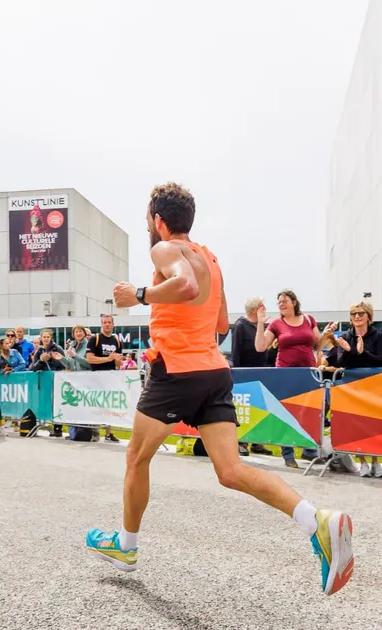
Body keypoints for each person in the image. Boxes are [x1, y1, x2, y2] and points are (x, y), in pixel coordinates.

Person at [86, 182, 354, 595]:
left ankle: (126, 545)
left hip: (176, 370)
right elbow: (221, 325)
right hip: (214, 370)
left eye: (148, 219)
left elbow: (187, 287)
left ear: (159, 221)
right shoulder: (211, 258)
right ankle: (316, 521)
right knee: (231, 471)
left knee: (136, 458)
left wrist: (139, 295)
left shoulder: (164, 249)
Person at [253, 290, 329, 467]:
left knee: (309, 410)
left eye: (284, 300)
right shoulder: (276, 324)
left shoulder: (309, 320)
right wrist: (260, 323)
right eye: (278, 301)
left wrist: (325, 334)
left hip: (308, 373)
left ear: (294, 302)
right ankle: (287, 453)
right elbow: (260, 346)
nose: (281, 304)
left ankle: (308, 450)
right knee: (287, 412)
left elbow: (317, 345)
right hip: (285, 373)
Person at [327, 302, 382, 477]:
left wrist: (362, 353)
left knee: (373, 425)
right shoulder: (346, 335)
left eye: (360, 313)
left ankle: (376, 462)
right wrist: (349, 351)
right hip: (352, 388)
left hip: (373, 386)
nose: (357, 317)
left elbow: (380, 360)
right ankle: (362, 462)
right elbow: (341, 363)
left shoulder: (379, 336)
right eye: (353, 314)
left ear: (369, 316)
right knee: (357, 426)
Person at [231, 297, 276, 456]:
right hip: (245, 372)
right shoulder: (240, 326)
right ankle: (241, 442)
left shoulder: (262, 326)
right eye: (262, 307)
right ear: (256, 309)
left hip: (261, 371)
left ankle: (257, 442)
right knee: (245, 409)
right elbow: (236, 350)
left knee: (260, 408)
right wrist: (236, 372)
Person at [85, 315, 124, 443]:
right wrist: (108, 358)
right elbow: (90, 358)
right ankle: (93, 431)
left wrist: (118, 361)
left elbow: (118, 364)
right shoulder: (95, 339)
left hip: (111, 377)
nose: (107, 324)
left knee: (109, 405)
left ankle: (109, 432)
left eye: (109, 322)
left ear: (113, 324)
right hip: (96, 377)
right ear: (101, 324)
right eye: (105, 322)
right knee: (95, 405)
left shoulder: (117, 341)